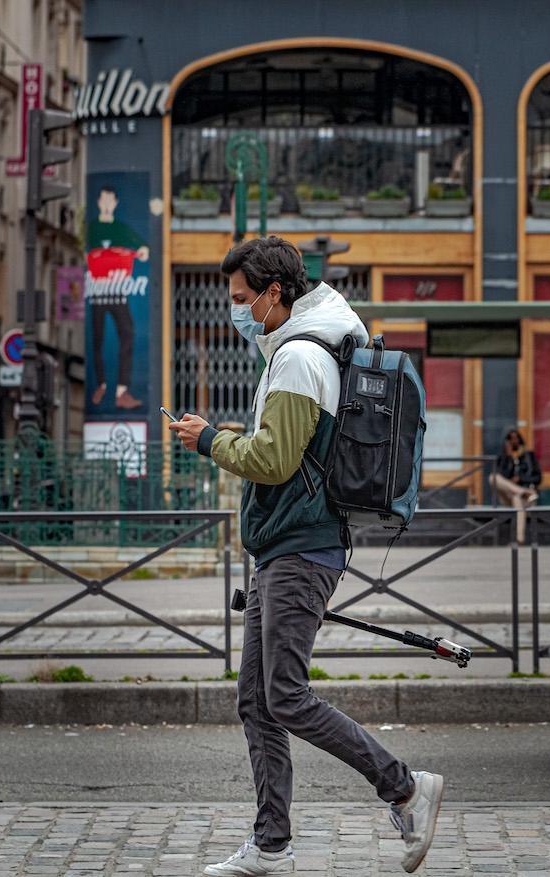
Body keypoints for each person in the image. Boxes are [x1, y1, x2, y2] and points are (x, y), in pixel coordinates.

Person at [168, 236, 444, 876]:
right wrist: (233, 437)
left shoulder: (297, 356)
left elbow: (274, 460)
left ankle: (404, 787)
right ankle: (270, 843)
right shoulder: (309, 345)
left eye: (241, 300)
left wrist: (210, 440)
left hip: (301, 548)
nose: (235, 312)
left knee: (284, 696)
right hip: (289, 546)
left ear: (274, 294)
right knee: (257, 700)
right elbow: (286, 450)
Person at [86, 185, 149, 410]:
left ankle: (122, 390)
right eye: (102, 199)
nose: (106, 203)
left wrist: (141, 251)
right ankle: (101, 383)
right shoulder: (90, 228)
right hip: (98, 292)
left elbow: (143, 247)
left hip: (117, 291)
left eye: (109, 200)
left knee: (127, 333)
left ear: (114, 203)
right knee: (98, 340)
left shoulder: (120, 228)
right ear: (98, 202)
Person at [489, 429, 541, 544]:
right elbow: (502, 477)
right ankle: (521, 492)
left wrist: (521, 479)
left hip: (529, 494)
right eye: (510, 439)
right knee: (493, 477)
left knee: (517, 500)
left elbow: (538, 478)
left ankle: (519, 539)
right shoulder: (504, 457)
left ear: (519, 439)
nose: (513, 441)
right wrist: (507, 458)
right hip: (510, 493)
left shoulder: (528, 456)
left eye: (515, 438)